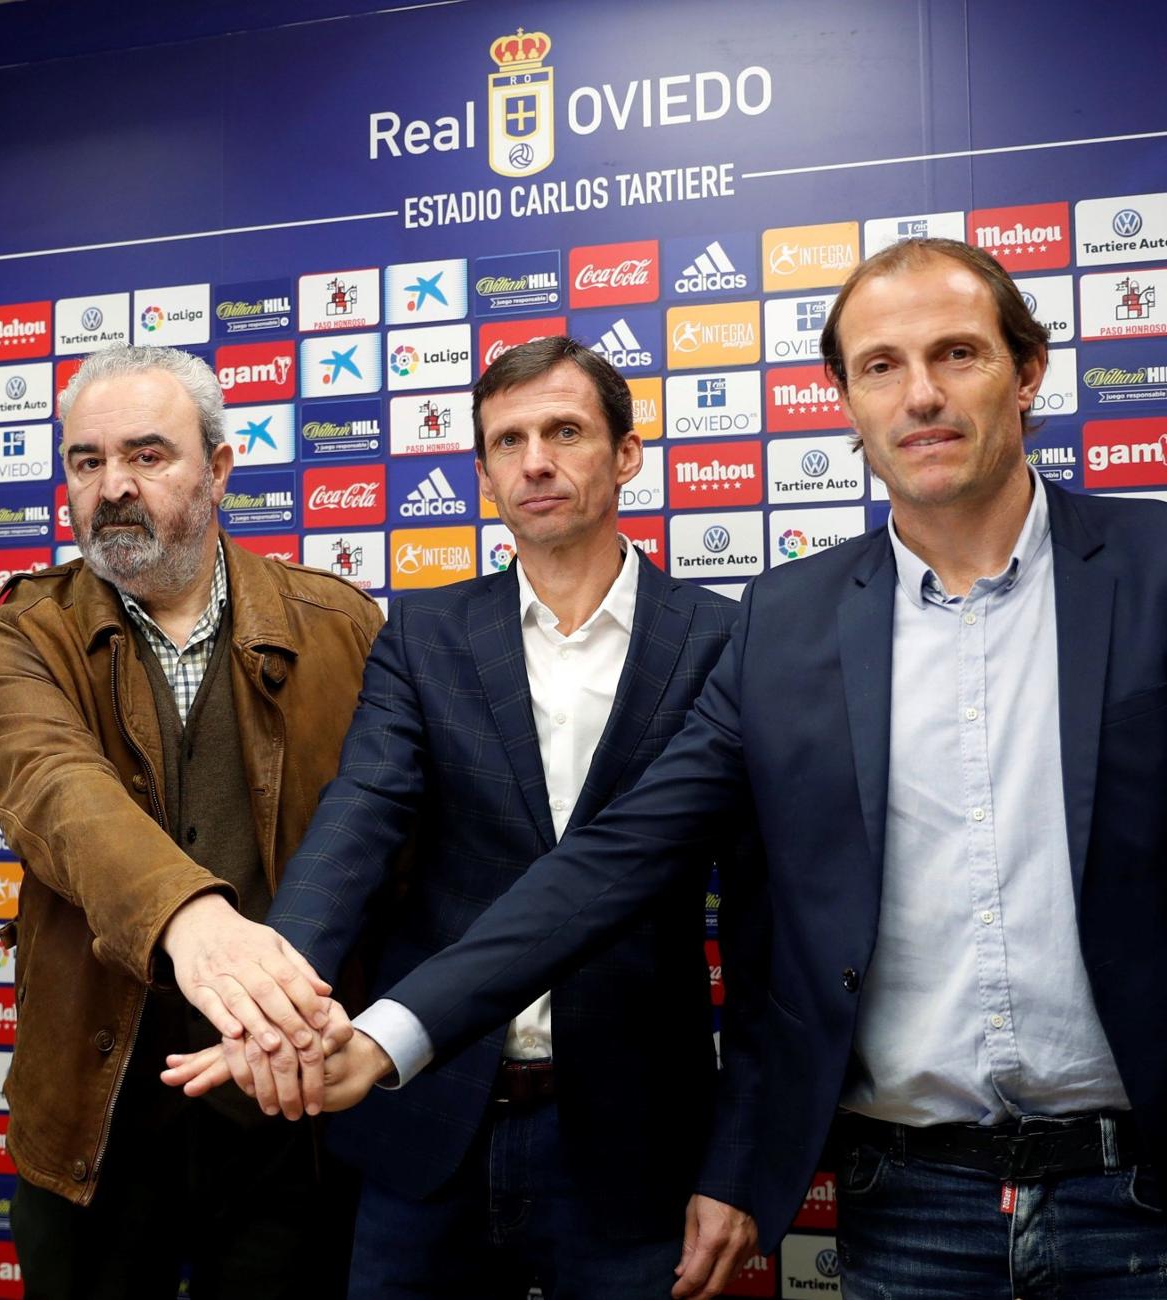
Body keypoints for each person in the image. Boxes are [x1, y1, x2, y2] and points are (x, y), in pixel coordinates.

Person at [205, 238, 1166, 1297]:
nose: (922, 395)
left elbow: (757, 936)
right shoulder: (789, 625)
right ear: (844, 398)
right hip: (909, 1196)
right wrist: (383, 1031)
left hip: (1138, 1187)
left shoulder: (1151, 570)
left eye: (958, 354)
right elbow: (608, 858)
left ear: (1027, 373)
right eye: (881, 366)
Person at [168, 337, 758, 1299]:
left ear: (627, 452)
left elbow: (765, 929)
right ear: (481, 472)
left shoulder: (726, 640)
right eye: (508, 440)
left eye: (565, 430)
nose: (536, 461)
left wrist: (737, 1167)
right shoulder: (425, 633)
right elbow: (358, 823)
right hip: (424, 1124)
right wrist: (273, 995)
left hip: (635, 1146)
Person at [0, 344, 382, 1300]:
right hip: (93, 1120)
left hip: (291, 1115)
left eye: (149, 456)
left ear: (221, 468)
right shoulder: (20, 635)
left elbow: (391, 853)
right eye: (87, 461)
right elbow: (56, 788)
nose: (113, 487)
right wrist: (193, 923)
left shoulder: (341, 627)